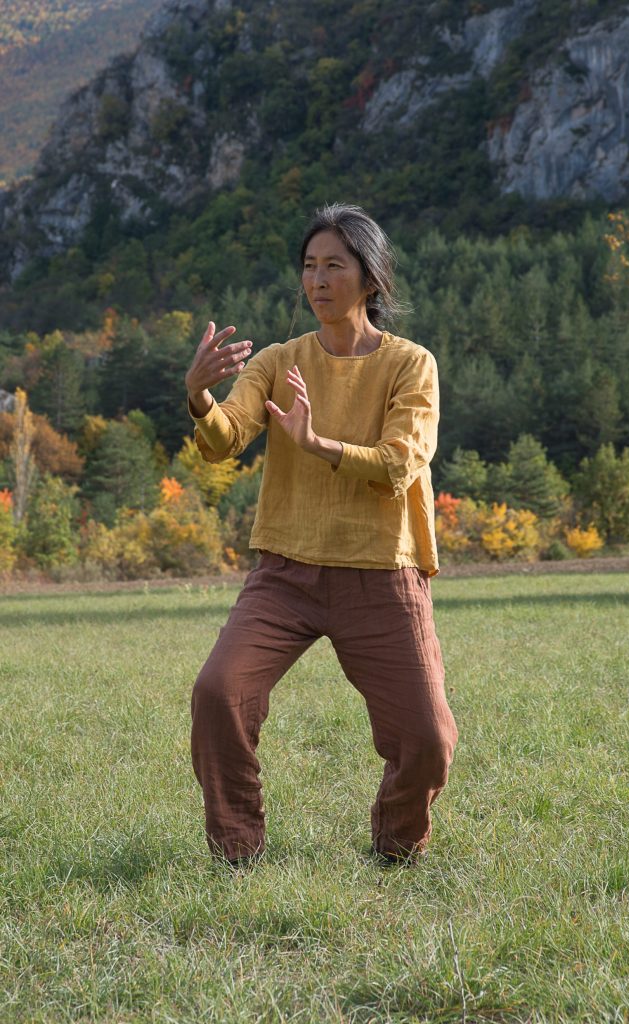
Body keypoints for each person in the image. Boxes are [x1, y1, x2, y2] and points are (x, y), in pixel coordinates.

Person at [185, 203, 458, 868]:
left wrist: (319, 444)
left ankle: (395, 849)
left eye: (334, 265)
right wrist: (199, 397)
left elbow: (401, 462)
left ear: (370, 277)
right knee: (218, 693)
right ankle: (237, 851)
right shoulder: (280, 361)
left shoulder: (410, 364)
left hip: (382, 574)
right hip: (285, 574)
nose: (318, 279)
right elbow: (223, 441)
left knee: (427, 738)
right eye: (309, 266)